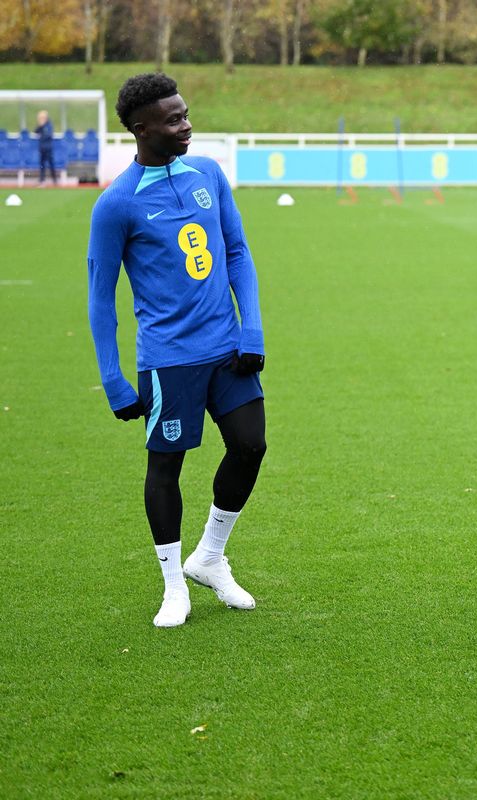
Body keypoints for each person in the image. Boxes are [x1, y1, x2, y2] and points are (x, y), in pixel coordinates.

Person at [87, 73, 267, 628]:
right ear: (141, 129)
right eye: (173, 120)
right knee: (166, 468)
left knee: (250, 446)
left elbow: (237, 251)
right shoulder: (116, 204)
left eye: (185, 114)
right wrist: (113, 379)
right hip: (168, 359)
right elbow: (100, 298)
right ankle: (172, 587)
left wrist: (252, 330)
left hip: (227, 349)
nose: (186, 125)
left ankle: (209, 557)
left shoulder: (208, 173)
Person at [34, 109, 55, 185]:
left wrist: (43, 130)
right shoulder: (41, 125)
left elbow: (49, 135)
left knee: (51, 164)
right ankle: (42, 180)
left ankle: (54, 180)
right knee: (42, 165)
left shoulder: (49, 125)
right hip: (42, 148)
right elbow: (35, 131)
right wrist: (40, 126)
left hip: (48, 148)